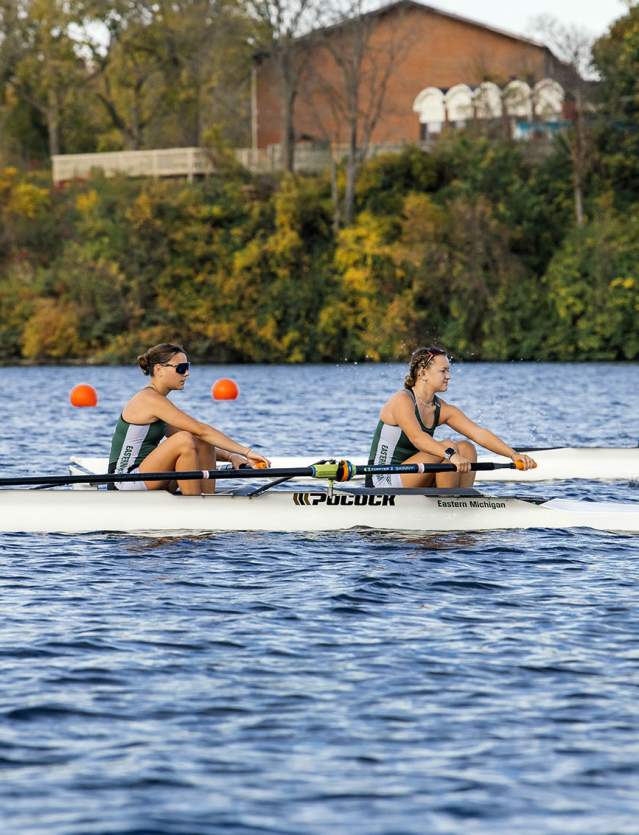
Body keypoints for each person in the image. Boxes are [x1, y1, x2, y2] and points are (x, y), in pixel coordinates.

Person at [108, 343, 269, 494]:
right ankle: (194, 505)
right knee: (184, 439)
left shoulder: (159, 402)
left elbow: (199, 437)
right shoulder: (148, 399)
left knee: (199, 440)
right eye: (181, 368)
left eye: (187, 367)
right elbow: (201, 429)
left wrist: (232, 456)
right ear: (159, 369)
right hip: (123, 480)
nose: (187, 373)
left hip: (150, 475)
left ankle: (207, 497)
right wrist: (247, 452)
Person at [367, 346, 536, 488]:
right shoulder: (402, 400)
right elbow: (417, 438)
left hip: (413, 474)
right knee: (449, 447)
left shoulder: (442, 408)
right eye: (443, 371)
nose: (449, 376)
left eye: (448, 370)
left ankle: (458, 501)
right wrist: (451, 455)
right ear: (423, 373)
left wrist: (513, 455)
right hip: (383, 478)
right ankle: (447, 505)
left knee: (466, 447)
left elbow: (478, 433)